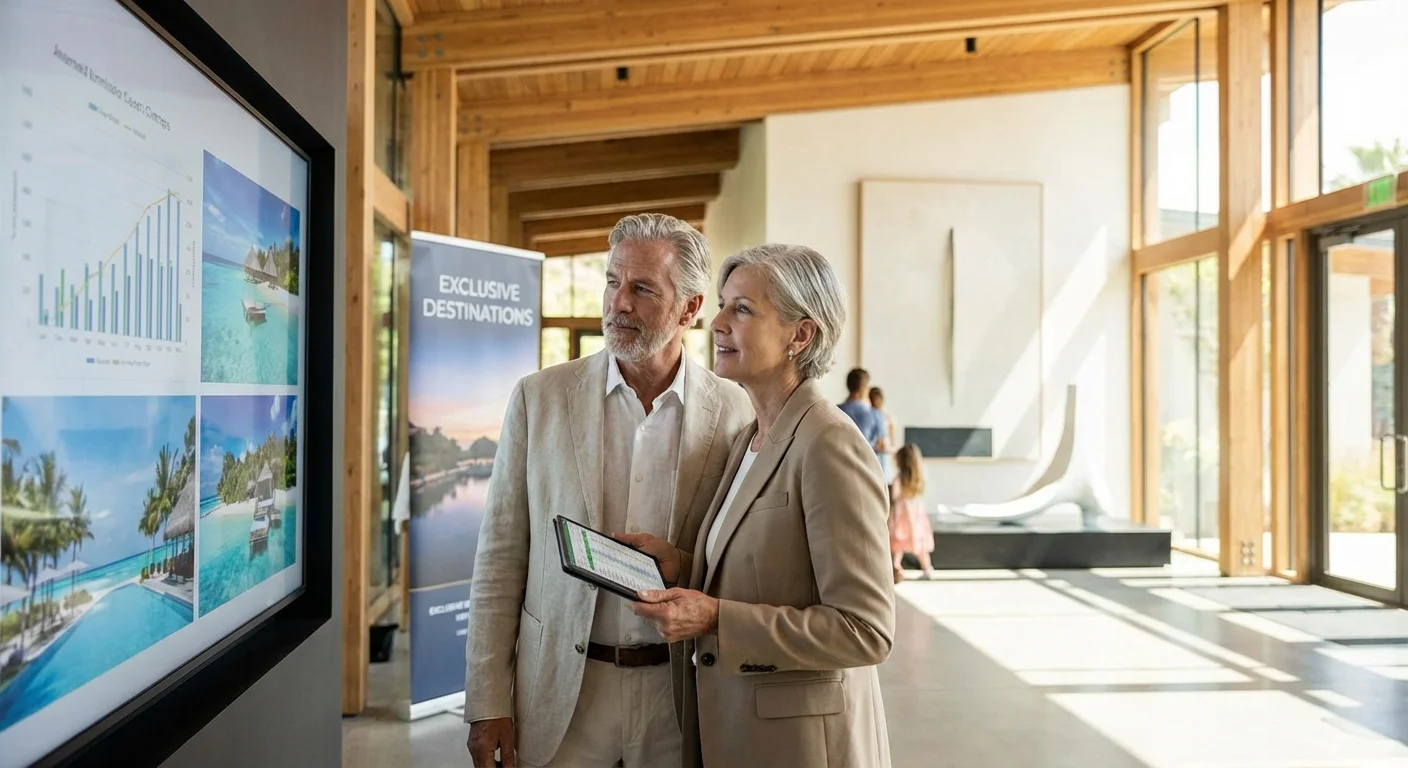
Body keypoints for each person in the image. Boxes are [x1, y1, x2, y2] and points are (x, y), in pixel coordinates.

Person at [463, 213, 753, 768]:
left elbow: (737, 558)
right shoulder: (538, 399)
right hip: (561, 695)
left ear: (690, 308)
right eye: (613, 282)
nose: (620, 303)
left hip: (680, 692)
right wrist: (487, 701)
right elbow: (500, 558)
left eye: (643, 288)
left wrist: (684, 567)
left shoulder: (737, 413)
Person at [619, 243, 894, 768]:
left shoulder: (829, 443)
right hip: (740, 732)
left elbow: (866, 631)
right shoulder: (751, 435)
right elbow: (765, 568)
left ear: (800, 334)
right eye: (723, 304)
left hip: (803, 747)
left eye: (741, 309)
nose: (716, 322)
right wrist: (680, 564)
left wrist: (716, 617)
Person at [889, 443, 935, 582]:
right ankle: (927, 568)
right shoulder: (919, 478)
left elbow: (895, 496)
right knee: (920, 544)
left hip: (901, 514)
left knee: (898, 544)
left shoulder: (899, 478)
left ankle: (895, 568)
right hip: (916, 514)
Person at [838, 367, 887, 463]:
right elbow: (882, 445)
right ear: (864, 388)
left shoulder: (835, 411)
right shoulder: (875, 415)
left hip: (841, 464)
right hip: (867, 466)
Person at [869, 386, 898, 481]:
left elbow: (894, 448)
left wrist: (885, 448)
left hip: (884, 463)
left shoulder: (888, 419)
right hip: (873, 462)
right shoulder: (867, 417)